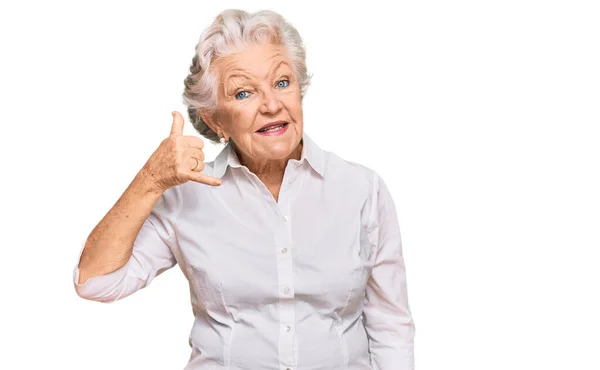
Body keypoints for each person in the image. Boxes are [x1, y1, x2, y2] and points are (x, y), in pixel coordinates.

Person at [73, 8, 415, 370]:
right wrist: (150, 180)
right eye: (243, 93)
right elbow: (96, 282)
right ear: (214, 120)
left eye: (282, 83)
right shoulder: (186, 195)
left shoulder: (362, 189)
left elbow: (390, 325)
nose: (271, 105)